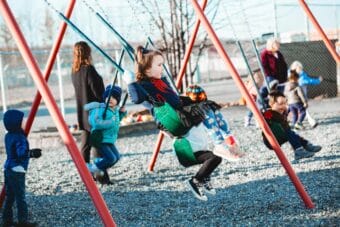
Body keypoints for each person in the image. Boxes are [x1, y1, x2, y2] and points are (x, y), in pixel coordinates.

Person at [123, 46, 232, 200]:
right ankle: (199, 178)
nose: (163, 68)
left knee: (208, 109)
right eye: (159, 65)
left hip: (179, 114)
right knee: (206, 133)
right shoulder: (143, 85)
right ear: (147, 69)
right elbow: (136, 99)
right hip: (170, 118)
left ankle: (206, 173)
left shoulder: (160, 81)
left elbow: (173, 97)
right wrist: (130, 82)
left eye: (162, 64)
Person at [71, 41, 111, 184]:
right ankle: (101, 177)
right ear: (88, 53)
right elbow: (98, 92)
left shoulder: (74, 72)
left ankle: (86, 176)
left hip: (83, 113)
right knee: (98, 146)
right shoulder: (89, 70)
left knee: (86, 146)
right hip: (94, 113)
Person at [2, 109, 39, 227]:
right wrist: (32, 153)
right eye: (21, 120)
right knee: (20, 197)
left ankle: (6, 220)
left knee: (10, 196)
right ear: (16, 122)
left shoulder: (8, 135)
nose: (24, 122)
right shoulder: (19, 137)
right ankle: (22, 222)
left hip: (8, 169)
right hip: (17, 170)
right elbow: (20, 154)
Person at [185, 84, 244, 157]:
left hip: (199, 107)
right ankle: (219, 144)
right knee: (207, 112)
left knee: (217, 116)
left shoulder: (206, 104)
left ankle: (231, 143)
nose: (199, 97)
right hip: (192, 112)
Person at [262, 90, 321, 161]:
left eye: (285, 103)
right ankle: (300, 151)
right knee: (288, 132)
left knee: (292, 133)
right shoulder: (269, 112)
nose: (283, 106)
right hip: (271, 139)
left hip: (281, 136)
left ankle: (306, 145)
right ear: (272, 104)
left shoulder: (282, 113)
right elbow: (263, 118)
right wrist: (263, 113)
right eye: (280, 103)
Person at [84, 85, 126, 176]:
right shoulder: (101, 109)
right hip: (101, 138)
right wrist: (109, 123)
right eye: (108, 97)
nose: (110, 99)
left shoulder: (114, 110)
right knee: (111, 158)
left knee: (117, 157)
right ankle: (93, 167)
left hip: (109, 139)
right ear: (105, 98)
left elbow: (116, 122)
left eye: (114, 98)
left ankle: (98, 164)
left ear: (117, 101)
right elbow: (95, 122)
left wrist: (121, 113)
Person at [290, 60, 323, 128]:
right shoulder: (301, 77)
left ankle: (294, 123)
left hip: (292, 98)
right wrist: (318, 80)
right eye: (299, 68)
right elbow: (309, 81)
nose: (301, 69)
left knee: (294, 110)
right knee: (303, 110)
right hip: (300, 97)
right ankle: (304, 122)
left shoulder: (291, 76)